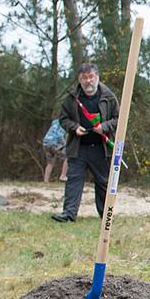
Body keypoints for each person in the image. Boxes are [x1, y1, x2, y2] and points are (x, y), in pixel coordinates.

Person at [51, 63, 118, 222]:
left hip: (101, 148)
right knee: (73, 180)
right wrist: (74, 128)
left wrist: (105, 127)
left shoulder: (109, 97)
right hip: (78, 147)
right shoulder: (71, 98)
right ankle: (68, 214)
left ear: (97, 77)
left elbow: (119, 119)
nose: (88, 81)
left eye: (91, 77)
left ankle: (105, 216)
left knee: (103, 182)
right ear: (79, 80)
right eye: (84, 78)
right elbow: (63, 119)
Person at [42, 119, 68, 183]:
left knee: (50, 163)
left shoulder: (55, 122)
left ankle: (46, 180)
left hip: (46, 142)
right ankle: (63, 175)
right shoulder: (63, 123)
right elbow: (60, 135)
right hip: (54, 143)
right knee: (68, 157)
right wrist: (65, 144)